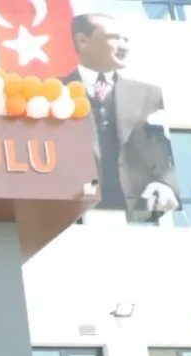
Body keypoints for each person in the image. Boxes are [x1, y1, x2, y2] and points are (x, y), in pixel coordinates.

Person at [64, 12, 178, 222]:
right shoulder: (52, 92)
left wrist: (167, 184)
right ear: (82, 40)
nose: (124, 46)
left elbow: (167, 150)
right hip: (73, 220)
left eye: (126, 40)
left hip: (138, 218)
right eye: (114, 38)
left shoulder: (150, 95)